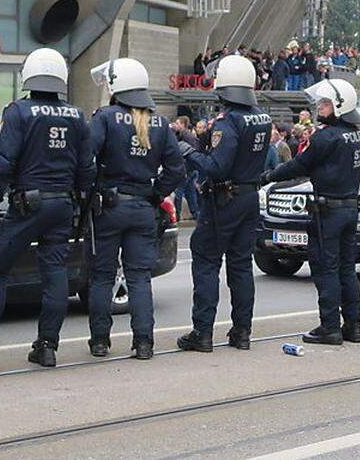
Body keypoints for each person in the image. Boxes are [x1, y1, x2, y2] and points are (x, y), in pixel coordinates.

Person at [0, 48, 93, 369]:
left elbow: (2, 163)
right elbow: (87, 169)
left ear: (29, 76)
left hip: (27, 205)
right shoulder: (77, 115)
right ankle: (47, 346)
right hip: (62, 204)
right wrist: (80, 206)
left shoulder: (19, 112)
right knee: (55, 274)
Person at [86, 58, 186, 359]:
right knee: (139, 277)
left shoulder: (104, 117)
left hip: (109, 207)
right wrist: (155, 196)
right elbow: (176, 170)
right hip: (143, 207)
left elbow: (85, 159)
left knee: (103, 277)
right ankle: (144, 343)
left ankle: (100, 342)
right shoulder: (160, 122)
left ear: (116, 85)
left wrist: (91, 191)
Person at [260, 79, 360, 344]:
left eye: (326, 104)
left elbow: (299, 165)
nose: (321, 107)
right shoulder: (357, 135)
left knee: (326, 269)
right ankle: (353, 326)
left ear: (341, 106)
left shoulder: (326, 137)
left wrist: (269, 176)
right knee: (347, 269)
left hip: (328, 212)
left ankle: (329, 327)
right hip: (350, 208)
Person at [177, 55, 271, 352]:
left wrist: (186, 151)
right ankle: (242, 332)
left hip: (224, 199)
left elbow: (215, 166)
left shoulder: (228, 122)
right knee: (241, 265)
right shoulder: (261, 117)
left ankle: (202, 332)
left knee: (205, 261)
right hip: (248, 197)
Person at [170, 116, 200, 220]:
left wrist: (184, 170)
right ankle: (196, 214)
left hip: (186, 169)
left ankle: (177, 215)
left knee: (178, 192)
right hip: (191, 169)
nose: (176, 125)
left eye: (178, 123)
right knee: (190, 193)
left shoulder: (186, 137)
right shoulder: (189, 136)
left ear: (183, 125)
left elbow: (187, 154)